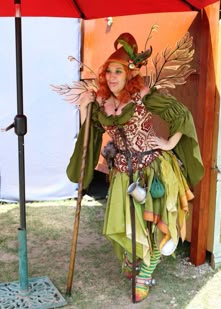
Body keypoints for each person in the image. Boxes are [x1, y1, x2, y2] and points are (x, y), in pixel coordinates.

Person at [66, 32, 204, 303]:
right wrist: (84, 109)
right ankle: (132, 258)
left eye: (118, 71)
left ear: (129, 74)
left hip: (152, 170)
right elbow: (90, 134)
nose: (112, 77)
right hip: (121, 175)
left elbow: (181, 115)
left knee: (152, 226)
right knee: (128, 221)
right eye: (108, 72)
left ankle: (146, 273)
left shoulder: (143, 96)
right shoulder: (103, 103)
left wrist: (167, 142)